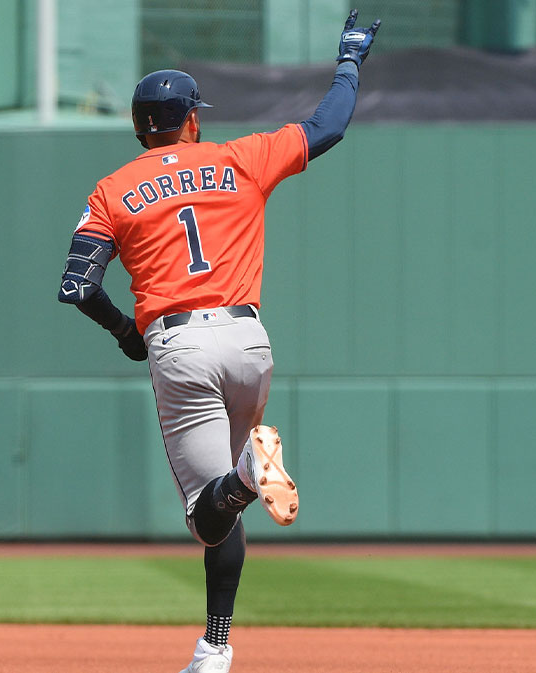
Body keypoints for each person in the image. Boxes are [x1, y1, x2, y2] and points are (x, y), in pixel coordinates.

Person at [56, 10, 380, 672]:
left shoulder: (113, 191)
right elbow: (331, 126)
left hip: (180, 346)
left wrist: (125, 334)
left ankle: (244, 475)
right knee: (223, 508)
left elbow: (77, 286)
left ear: (140, 126)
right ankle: (215, 645)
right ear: (192, 120)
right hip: (247, 339)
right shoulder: (240, 158)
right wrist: (349, 58)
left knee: (209, 514)